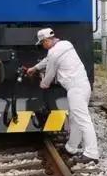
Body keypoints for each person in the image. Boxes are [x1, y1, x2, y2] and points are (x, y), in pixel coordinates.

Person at [27, 28, 99, 164]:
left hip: (75, 88)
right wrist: (35, 68)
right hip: (83, 86)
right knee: (75, 118)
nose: (42, 46)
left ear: (46, 41)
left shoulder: (54, 53)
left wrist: (43, 84)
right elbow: (48, 60)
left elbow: (50, 73)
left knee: (82, 119)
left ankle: (92, 153)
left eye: (42, 43)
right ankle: (71, 148)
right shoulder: (66, 44)